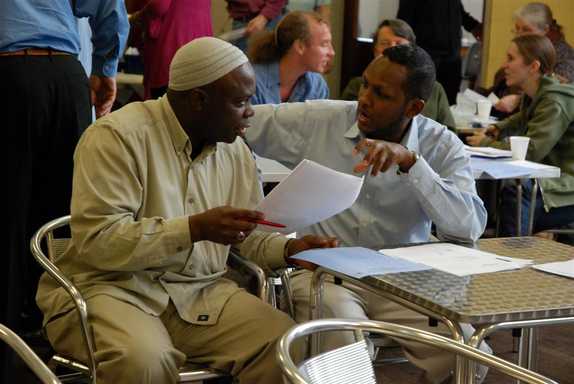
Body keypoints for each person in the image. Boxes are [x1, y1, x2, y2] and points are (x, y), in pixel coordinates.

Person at [35, 37, 337, 384]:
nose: (251, 111)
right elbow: (98, 243)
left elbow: (246, 239)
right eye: (240, 102)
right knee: (143, 361)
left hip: (199, 293)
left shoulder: (236, 152)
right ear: (198, 101)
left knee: (285, 345)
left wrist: (289, 249)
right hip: (113, 289)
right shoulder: (116, 137)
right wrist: (193, 229)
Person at [246, 44, 490, 383]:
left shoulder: (440, 144)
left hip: (402, 278)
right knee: (341, 339)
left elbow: (469, 227)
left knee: (468, 351)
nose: (365, 98)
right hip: (324, 272)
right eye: (364, 85)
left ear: (414, 107)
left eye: (381, 93)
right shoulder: (322, 120)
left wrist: (412, 164)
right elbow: (242, 120)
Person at [1, 0, 128, 380]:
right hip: (65, 77)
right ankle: (63, 342)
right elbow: (109, 7)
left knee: (8, 217)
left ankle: (9, 353)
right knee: (62, 221)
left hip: (8, 75)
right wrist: (105, 68)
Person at [467, 34, 574, 238]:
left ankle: (514, 254)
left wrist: (486, 142)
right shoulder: (536, 95)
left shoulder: (554, 101)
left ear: (533, 67)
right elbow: (518, 120)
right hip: (551, 181)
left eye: (510, 58)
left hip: (566, 187)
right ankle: (492, 239)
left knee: (517, 187)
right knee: (502, 184)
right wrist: (496, 129)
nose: (504, 65)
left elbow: (531, 151)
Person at [341, 18, 455, 131]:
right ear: (375, 49)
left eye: (399, 44)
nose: (392, 48)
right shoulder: (357, 85)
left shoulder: (435, 89)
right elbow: (345, 124)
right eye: (385, 43)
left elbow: (449, 135)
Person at [488, 2, 574, 116]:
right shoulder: (527, 51)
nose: (519, 35)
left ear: (545, 30)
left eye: (526, 30)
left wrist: (518, 100)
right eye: (517, 29)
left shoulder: (565, 58)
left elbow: (556, 93)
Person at [398, 0, 482, 105]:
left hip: (452, 59)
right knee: (424, 103)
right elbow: (403, 23)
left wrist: (475, 26)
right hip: (426, 58)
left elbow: (458, 11)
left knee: (449, 103)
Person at [127, 0, 213, 99]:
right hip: (201, 50)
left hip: (173, 46)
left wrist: (138, 17)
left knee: (165, 107)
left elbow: (159, 6)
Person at [248, 11, 334, 104]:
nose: (332, 52)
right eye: (324, 44)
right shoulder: (252, 83)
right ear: (300, 46)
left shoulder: (317, 85)